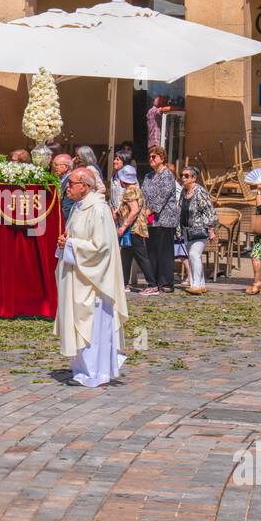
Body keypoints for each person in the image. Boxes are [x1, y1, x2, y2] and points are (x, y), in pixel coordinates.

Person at [56, 168, 128, 387]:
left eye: (72, 183)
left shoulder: (99, 209)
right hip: (78, 276)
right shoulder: (79, 208)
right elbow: (76, 237)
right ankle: (81, 369)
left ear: (85, 186)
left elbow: (101, 248)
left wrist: (70, 244)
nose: (68, 187)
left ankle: (95, 372)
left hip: (94, 282)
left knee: (92, 326)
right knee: (78, 321)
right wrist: (65, 241)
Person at [114, 164, 157, 294]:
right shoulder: (136, 189)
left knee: (141, 257)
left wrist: (123, 226)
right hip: (134, 228)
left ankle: (152, 285)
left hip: (133, 229)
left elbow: (134, 210)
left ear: (123, 180)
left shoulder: (130, 190)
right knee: (126, 256)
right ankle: (124, 283)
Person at [141, 146, 179, 293]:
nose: (151, 159)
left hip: (165, 219)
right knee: (152, 251)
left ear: (162, 158)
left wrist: (149, 210)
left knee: (165, 252)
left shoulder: (167, 175)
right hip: (151, 220)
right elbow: (143, 193)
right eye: (150, 157)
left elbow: (163, 196)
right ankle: (154, 281)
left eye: (154, 157)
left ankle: (167, 282)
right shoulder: (148, 176)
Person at [179, 166, 219, 295]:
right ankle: (201, 284)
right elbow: (180, 209)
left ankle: (195, 285)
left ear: (193, 178)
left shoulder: (200, 192)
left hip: (200, 229)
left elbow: (209, 211)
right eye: (182, 175)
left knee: (193, 255)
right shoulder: (183, 192)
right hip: (187, 230)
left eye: (186, 176)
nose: (183, 178)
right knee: (193, 257)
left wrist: (211, 229)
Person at [52, 153, 76, 223]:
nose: (54, 167)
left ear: (66, 167)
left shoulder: (71, 181)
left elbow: (66, 209)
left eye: (56, 165)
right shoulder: (60, 180)